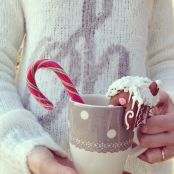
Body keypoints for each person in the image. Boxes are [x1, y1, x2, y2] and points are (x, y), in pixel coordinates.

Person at [0, 0, 174, 174]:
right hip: (28, 165)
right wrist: (24, 143)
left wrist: (169, 109)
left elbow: (166, 60)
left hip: (140, 167)